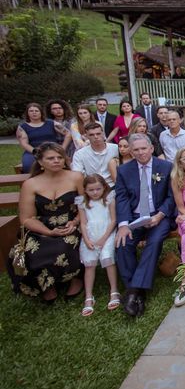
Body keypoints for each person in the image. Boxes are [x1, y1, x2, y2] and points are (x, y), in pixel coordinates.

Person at [8, 143, 84, 303]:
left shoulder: (76, 177)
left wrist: (75, 222)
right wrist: (48, 232)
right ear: (41, 162)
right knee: (34, 250)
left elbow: (84, 206)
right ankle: (47, 285)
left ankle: (75, 279)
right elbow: (27, 218)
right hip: (41, 226)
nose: (56, 161)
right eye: (50, 158)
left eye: (60, 157)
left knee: (65, 245)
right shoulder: (31, 184)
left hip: (71, 222)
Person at [115, 133, 175, 317]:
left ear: (151, 148)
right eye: (136, 150)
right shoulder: (124, 171)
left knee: (155, 241)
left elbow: (172, 197)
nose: (140, 153)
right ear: (131, 152)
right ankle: (137, 290)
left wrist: (159, 215)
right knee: (123, 243)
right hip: (134, 216)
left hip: (160, 216)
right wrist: (123, 224)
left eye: (143, 148)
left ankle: (133, 292)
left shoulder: (165, 167)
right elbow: (122, 198)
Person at [77, 174, 119, 316]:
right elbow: (83, 223)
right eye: (91, 190)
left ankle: (114, 290)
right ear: (85, 190)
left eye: (98, 189)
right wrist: (86, 238)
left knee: (108, 259)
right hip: (90, 235)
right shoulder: (82, 203)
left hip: (106, 234)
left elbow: (113, 221)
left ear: (104, 188)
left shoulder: (109, 200)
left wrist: (104, 238)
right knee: (90, 264)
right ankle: (89, 296)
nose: (95, 192)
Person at [17, 103, 68, 172]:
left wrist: (62, 148)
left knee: (64, 164)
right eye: (31, 111)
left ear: (41, 112)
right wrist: (35, 151)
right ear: (27, 113)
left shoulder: (52, 123)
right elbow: (24, 143)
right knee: (28, 166)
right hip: (33, 151)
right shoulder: (23, 127)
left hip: (52, 149)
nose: (34, 113)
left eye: (36, 111)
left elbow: (68, 134)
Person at [72, 123, 120, 189]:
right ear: (86, 136)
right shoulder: (80, 154)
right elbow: (78, 174)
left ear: (103, 134)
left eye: (98, 134)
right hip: (93, 187)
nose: (96, 137)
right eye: (91, 135)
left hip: (113, 184)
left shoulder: (116, 148)